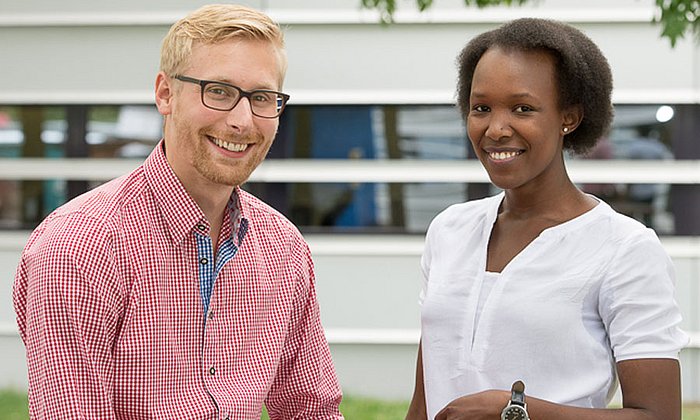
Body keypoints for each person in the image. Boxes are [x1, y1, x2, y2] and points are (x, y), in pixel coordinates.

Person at [13, 4, 343, 419]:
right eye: (219, 91)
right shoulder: (81, 247)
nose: (243, 120)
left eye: (261, 97)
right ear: (165, 93)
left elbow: (309, 410)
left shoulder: (283, 247)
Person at [406, 18, 688, 420]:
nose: (496, 129)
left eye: (523, 108)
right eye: (481, 108)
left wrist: (515, 410)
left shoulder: (624, 249)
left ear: (568, 118)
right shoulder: (449, 230)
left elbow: (658, 415)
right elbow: (425, 399)